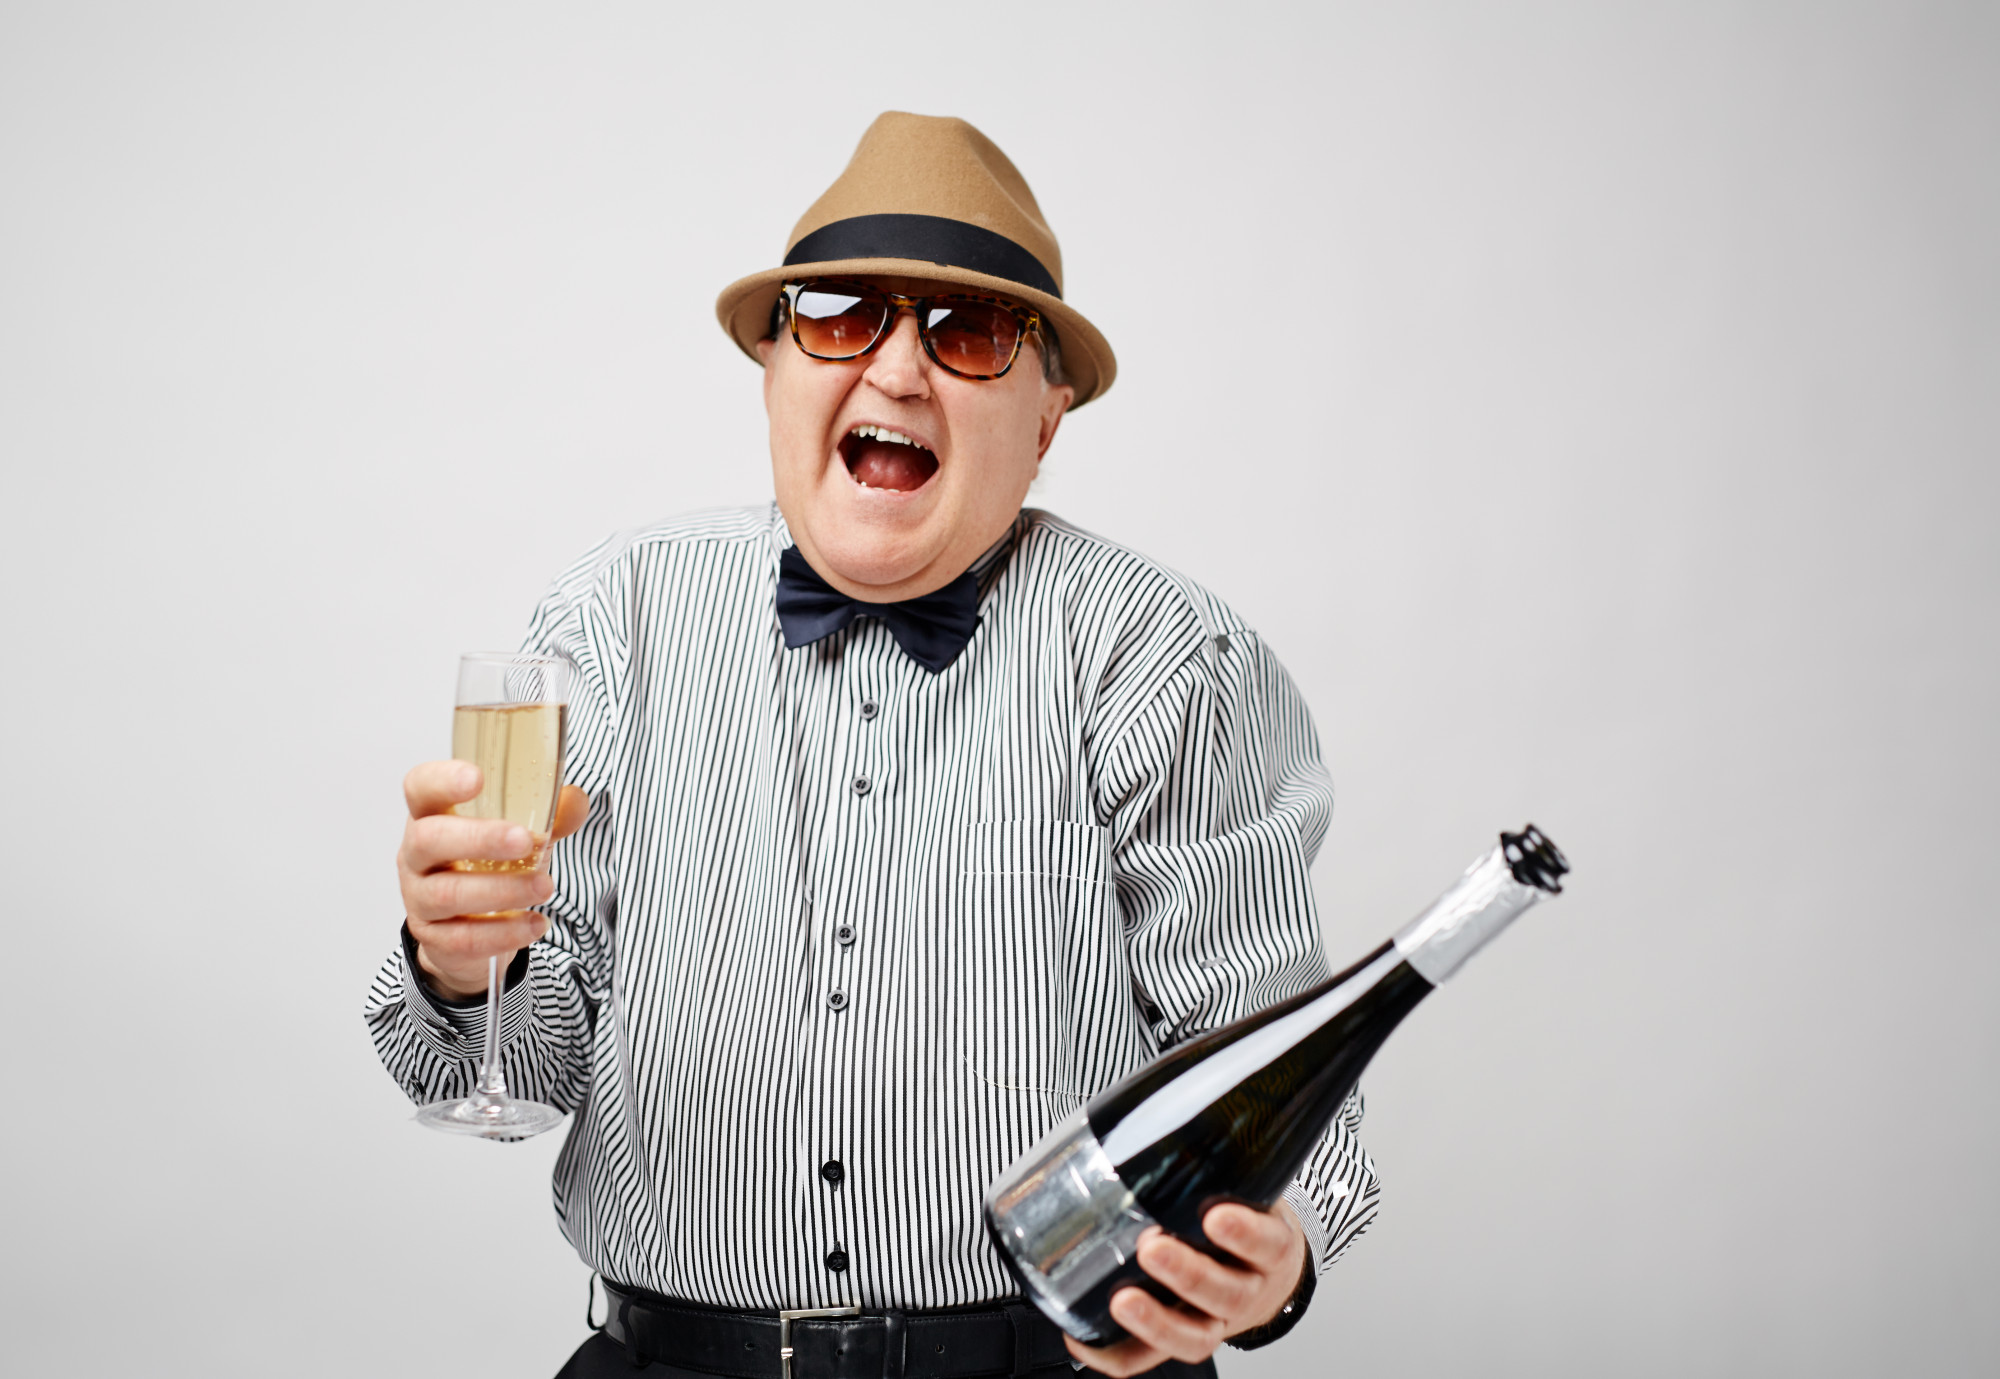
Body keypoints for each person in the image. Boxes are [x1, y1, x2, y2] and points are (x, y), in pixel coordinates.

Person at [366, 112, 1379, 1379]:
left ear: (1045, 418)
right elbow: (526, 1067)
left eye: (970, 332)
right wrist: (462, 965)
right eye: (842, 317)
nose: (897, 371)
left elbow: (1272, 1073)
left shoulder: (1165, 659)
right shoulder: (612, 621)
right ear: (774, 365)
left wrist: (1268, 1251)